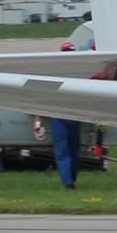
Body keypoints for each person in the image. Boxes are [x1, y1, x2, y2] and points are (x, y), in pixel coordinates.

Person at [50, 41, 83, 188]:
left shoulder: (79, 73)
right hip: (61, 114)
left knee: (71, 149)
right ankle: (68, 181)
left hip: (71, 114)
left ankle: (70, 179)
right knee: (65, 149)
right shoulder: (56, 72)